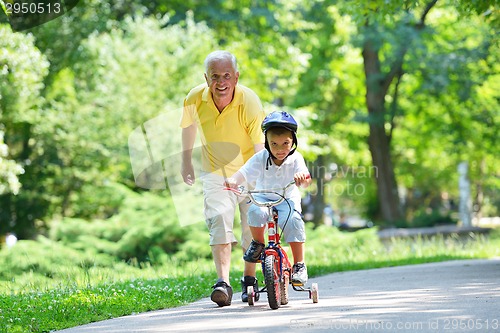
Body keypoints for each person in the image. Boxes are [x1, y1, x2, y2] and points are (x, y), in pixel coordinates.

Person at [180, 50, 266, 306]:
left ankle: (249, 279)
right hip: (216, 172)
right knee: (219, 224)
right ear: (206, 78)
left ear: (236, 77)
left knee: (252, 230)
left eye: (226, 75)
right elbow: (188, 127)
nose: (221, 82)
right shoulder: (195, 98)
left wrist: (258, 180)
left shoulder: (249, 101)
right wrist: (186, 162)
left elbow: (260, 147)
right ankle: (223, 283)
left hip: (249, 171)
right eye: (215, 76)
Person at [225, 111, 312, 285]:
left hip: (287, 198)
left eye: (285, 143)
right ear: (267, 143)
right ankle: (258, 243)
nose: (280, 149)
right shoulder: (260, 158)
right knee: (255, 212)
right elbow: (244, 172)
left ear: (293, 141)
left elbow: (306, 181)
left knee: (294, 220)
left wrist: (303, 178)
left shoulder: (296, 159)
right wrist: (233, 180)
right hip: (263, 197)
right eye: (274, 144)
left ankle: (299, 264)